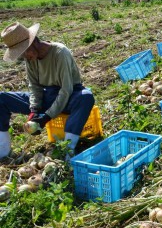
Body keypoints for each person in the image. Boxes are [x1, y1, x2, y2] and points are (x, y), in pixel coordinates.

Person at [0, 22, 95, 160]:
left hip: (69, 96)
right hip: (47, 96)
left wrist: (47, 116)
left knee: (86, 97)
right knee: (2, 98)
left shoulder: (60, 53)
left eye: (23, 53)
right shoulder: (30, 58)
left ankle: (67, 151)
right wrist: (34, 109)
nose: (24, 58)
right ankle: (3, 152)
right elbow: (34, 86)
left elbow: (66, 89)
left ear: (32, 44)